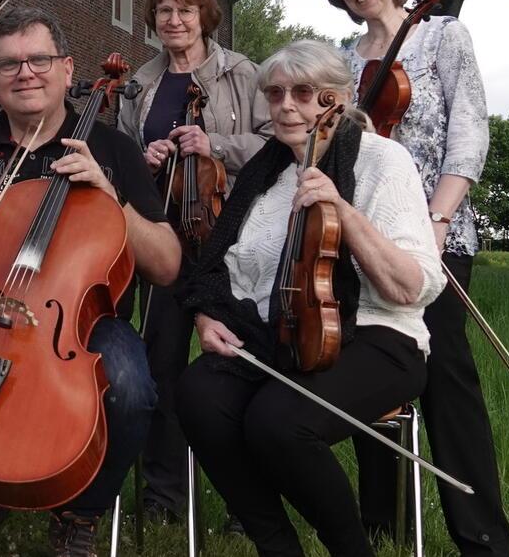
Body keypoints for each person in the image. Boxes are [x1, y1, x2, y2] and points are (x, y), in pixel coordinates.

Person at [0, 6, 181, 557]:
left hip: (82, 325)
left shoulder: (112, 151)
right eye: (9, 63)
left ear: (67, 69)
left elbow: (165, 263)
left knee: (133, 392)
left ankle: (79, 513)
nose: (25, 73)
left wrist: (109, 194)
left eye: (39, 60)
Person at [176, 40, 446, 557]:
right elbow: (216, 262)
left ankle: (350, 549)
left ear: (339, 101)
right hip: (280, 334)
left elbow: (412, 286)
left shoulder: (382, 161)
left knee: (278, 422)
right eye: (275, 94)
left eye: (305, 94)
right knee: (199, 395)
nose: (287, 106)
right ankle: (277, 546)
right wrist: (206, 316)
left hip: (378, 336)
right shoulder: (265, 168)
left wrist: (343, 211)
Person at [323, 0, 509, 555]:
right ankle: (383, 522)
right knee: (374, 373)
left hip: (435, 229)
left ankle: (480, 534)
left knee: (445, 380)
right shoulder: (347, 60)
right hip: (365, 237)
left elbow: (469, 131)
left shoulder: (442, 35)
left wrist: (438, 218)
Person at [115, 0, 268, 524]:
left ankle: (242, 498)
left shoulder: (242, 74)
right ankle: (164, 496)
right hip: (163, 240)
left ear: (207, 16)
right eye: (164, 10)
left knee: (234, 362)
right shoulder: (139, 81)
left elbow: (277, 144)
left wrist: (216, 144)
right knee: (162, 365)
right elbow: (121, 158)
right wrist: (143, 158)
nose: (174, 19)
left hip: (229, 238)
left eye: (186, 9)